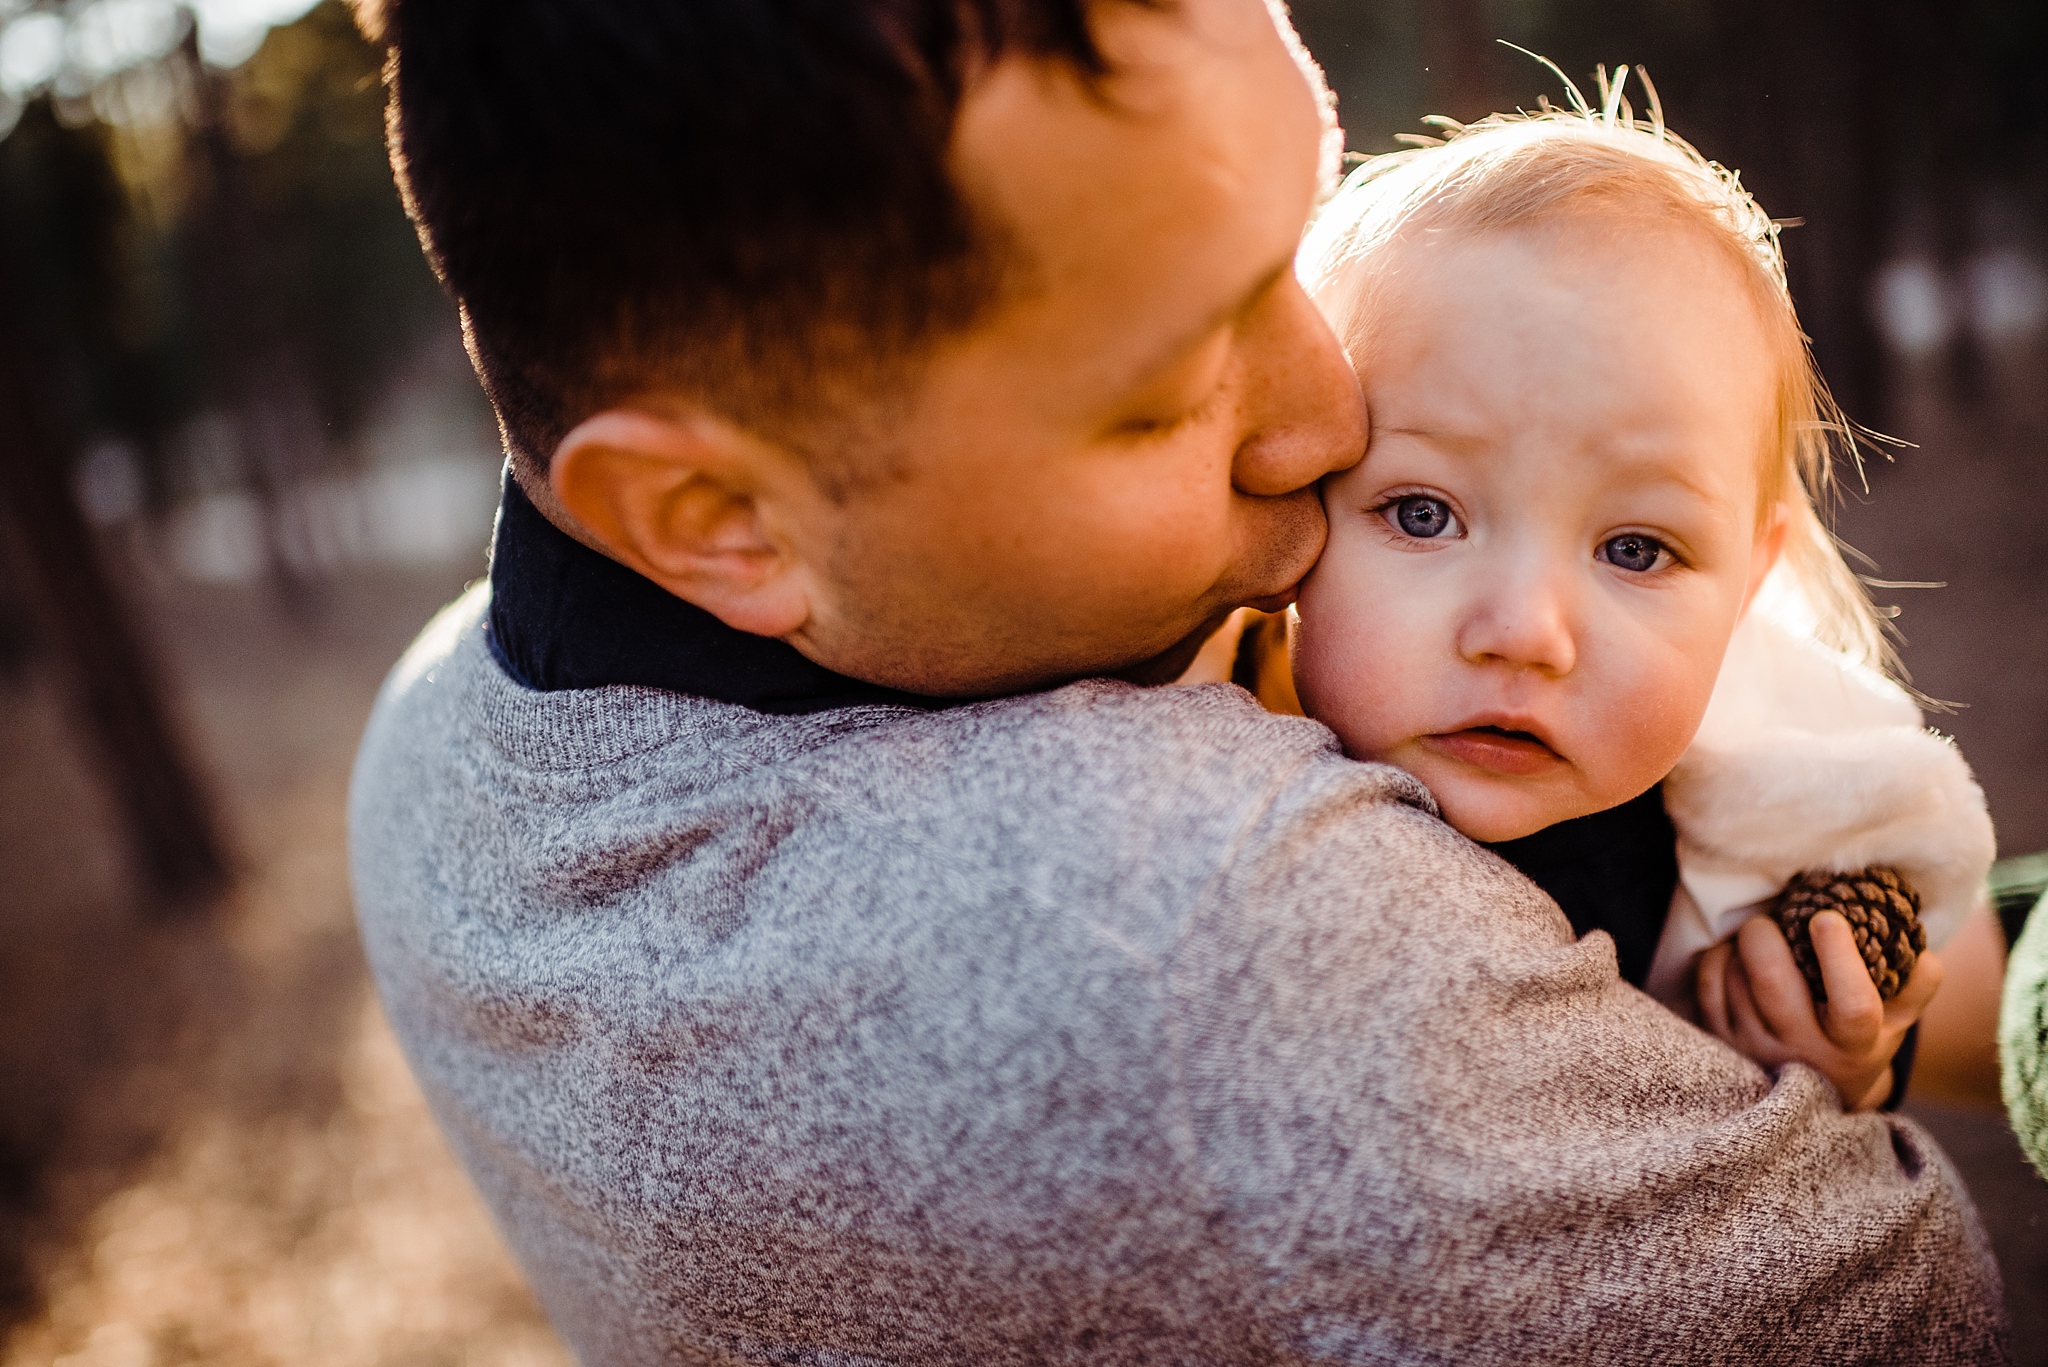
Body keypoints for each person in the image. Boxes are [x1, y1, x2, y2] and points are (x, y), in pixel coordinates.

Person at [345, 1, 2012, 1362]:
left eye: (1293, 245)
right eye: (1163, 386)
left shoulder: (433, 736)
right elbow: (1920, 1298)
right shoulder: (1213, 943)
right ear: (715, 518)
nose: (1328, 416)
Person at [1270, 86, 1997, 1112]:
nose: (1524, 631)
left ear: (1747, 584)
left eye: (1633, 548)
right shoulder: (1217, 769)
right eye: (1423, 514)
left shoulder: (1756, 857)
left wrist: (1832, 1061)